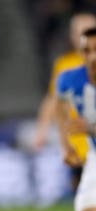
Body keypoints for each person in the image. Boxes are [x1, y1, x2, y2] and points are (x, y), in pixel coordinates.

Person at [34, 12, 96, 190]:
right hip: (78, 142)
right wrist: (43, 128)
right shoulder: (65, 65)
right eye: (80, 32)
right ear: (73, 37)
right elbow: (54, 99)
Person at [56, 26, 96, 211]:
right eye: (86, 50)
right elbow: (60, 106)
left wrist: (90, 128)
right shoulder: (69, 79)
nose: (92, 56)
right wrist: (66, 143)